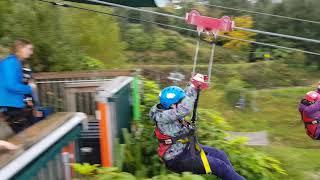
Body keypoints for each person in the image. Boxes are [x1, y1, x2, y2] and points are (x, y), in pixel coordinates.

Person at [149, 73, 245, 180]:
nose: (182, 103)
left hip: (185, 149)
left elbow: (184, 98)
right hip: (176, 158)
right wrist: (194, 87)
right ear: (172, 105)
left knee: (220, 155)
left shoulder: (168, 107)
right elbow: (183, 109)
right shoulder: (162, 117)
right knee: (219, 166)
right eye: (180, 102)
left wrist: (192, 85)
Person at [0, 39, 41, 133]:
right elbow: (11, 85)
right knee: (24, 136)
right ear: (20, 48)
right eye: (29, 49)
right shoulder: (10, 62)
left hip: (13, 105)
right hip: (9, 106)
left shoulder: (15, 62)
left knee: (26, 133)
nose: (31, 52)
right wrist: (30, 88)